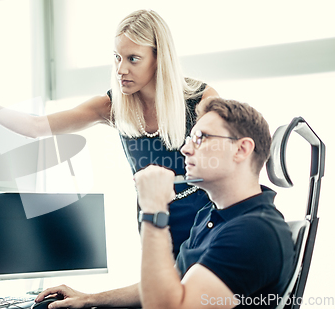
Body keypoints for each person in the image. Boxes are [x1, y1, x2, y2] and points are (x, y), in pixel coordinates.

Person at [0, 9, 219, 257]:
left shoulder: (200, 99)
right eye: (117, 58)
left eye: (133, 59)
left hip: (205, 218)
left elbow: (229, 164)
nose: (121, 69)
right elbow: (37, 127)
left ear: (159, 58)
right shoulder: (113, 106)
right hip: (154, 220)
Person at [34, 98, 295, 309]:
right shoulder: (211, 215)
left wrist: (154, 209)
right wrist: (88, 299)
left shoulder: (255, 232)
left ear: (241, 149)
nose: (185, 149)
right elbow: (167, 285)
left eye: (201, 138)